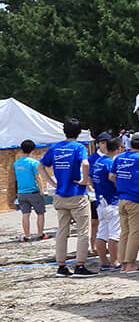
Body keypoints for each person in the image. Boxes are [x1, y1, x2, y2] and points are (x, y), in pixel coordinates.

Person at [44, 119, 93, 278]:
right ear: (79, 132)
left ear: (64, 131)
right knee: (83, 231)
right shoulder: (79, 147)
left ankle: (61, 266)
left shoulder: (55, 147)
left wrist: (52, 183)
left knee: (62, 231)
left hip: (60, 195)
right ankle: (80, 266)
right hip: (77, 194)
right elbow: (85, 164)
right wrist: (84, 180)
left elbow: (40, 166)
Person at [115, 135, 139, 271]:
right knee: (135, 232)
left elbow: (112, 176)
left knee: (124, 232)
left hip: (121, 198)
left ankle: (123, 264)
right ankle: (130, 264)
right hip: (135, 199)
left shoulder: (119, 158)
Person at [91, 136, 121, 273]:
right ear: (118, 149)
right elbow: (112, 178)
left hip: (100, 202)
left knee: (102, 234)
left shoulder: (98, 161)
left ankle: (104, 263)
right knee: (114, 234)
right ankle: (115, 262)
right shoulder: (110, 163)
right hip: (112, 202)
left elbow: (91, 178)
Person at [13, 139, 47, 242]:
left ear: (21, 149)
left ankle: (27, 236)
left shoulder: (16, 164)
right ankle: (40, 234)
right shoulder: (34, 162)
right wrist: (42, 191)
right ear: (32, 150)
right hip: (33, 192)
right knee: (40, 213)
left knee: (25, 214)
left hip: (21, 193)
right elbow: (38, 178)